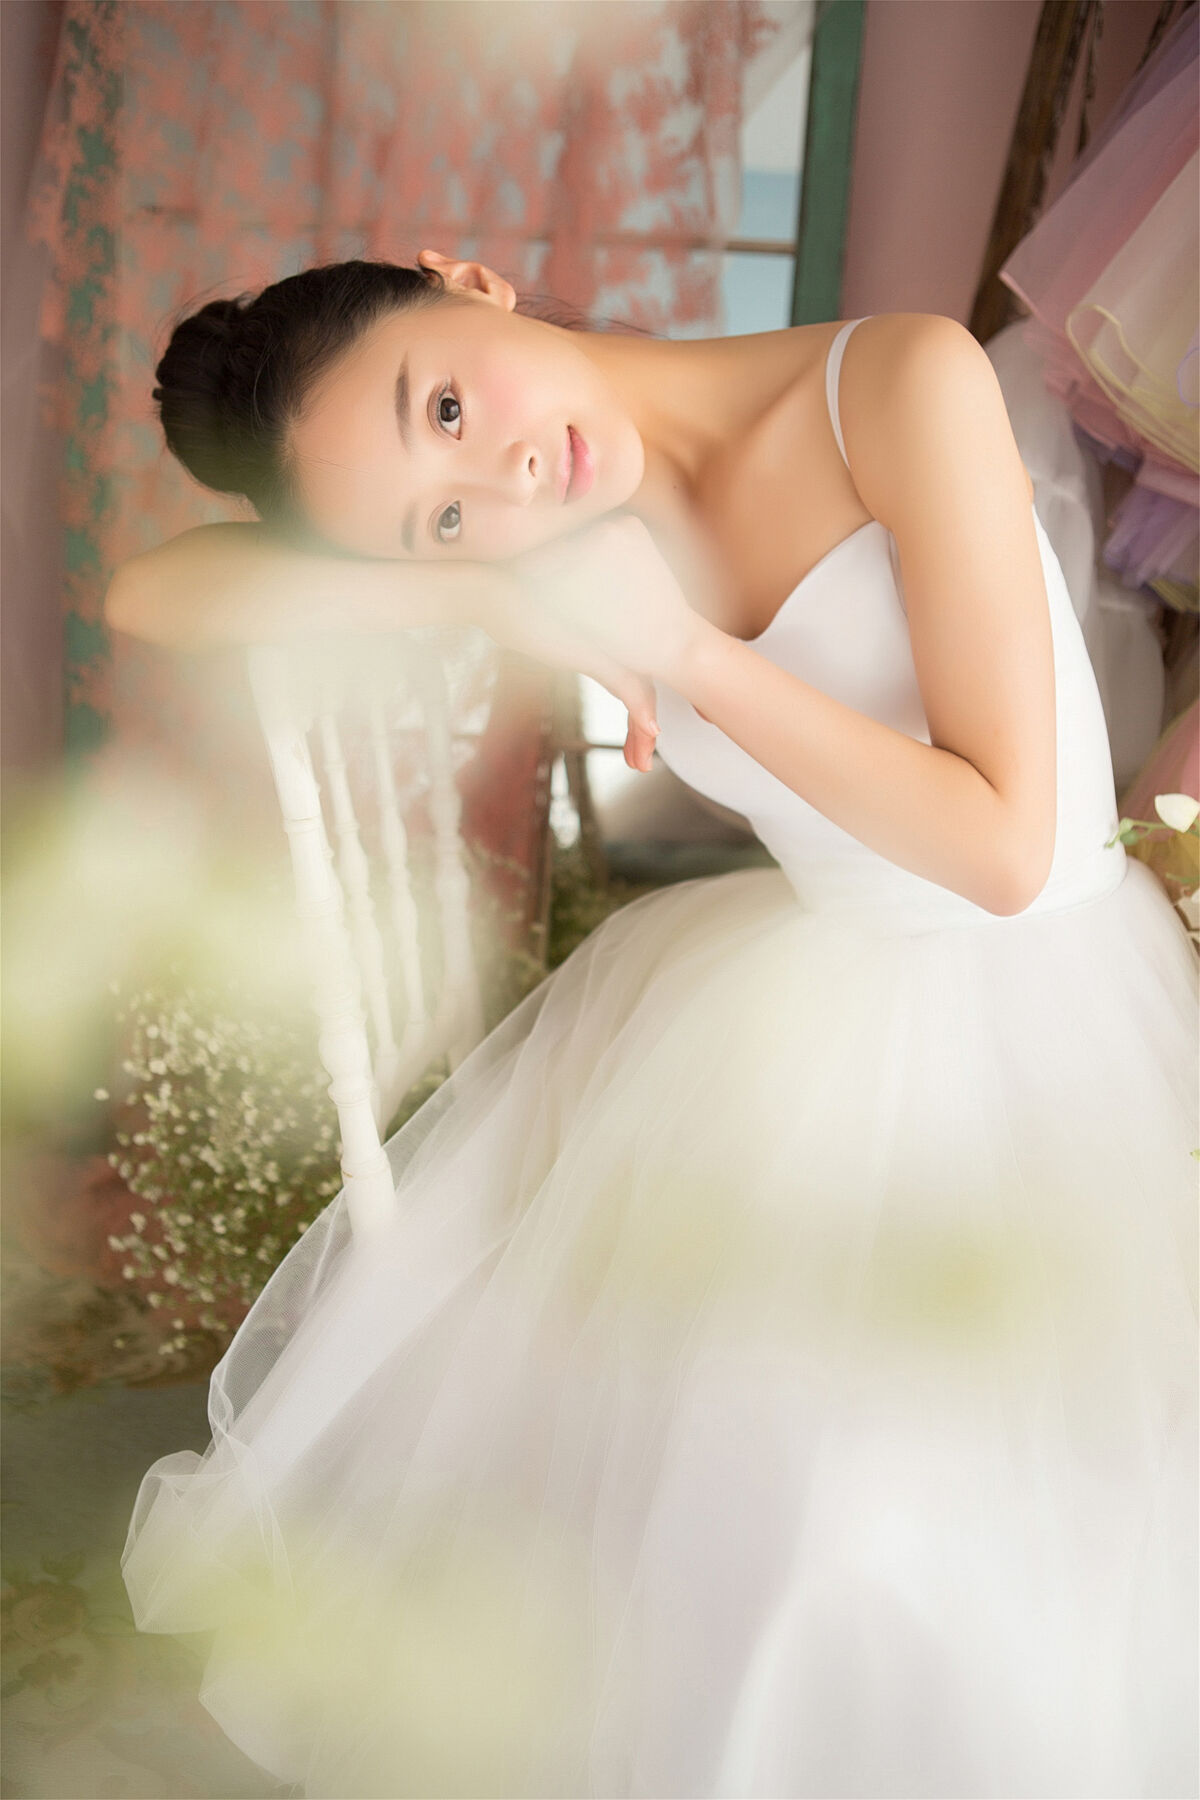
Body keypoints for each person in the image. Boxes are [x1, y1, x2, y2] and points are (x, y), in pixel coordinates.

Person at [113, 252, 1198, 1800]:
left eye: (445, 405)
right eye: (438, 513)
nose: (500, 477)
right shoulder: (546, 536)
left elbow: (1006, 851)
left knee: (901, 1496)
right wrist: (480, 579)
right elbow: (156, 594)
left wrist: (684, 652)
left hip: (1038, 1000)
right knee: (721, 1462)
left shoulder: (903, 383)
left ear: (471, 281)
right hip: (813, 1009)